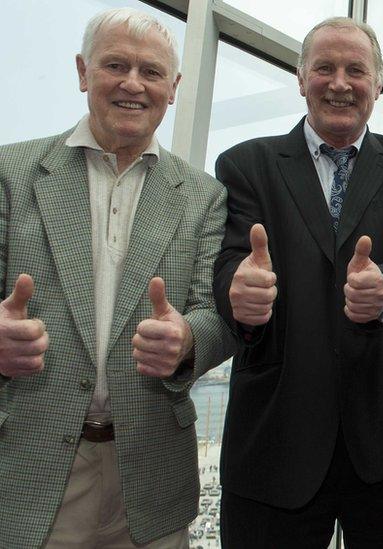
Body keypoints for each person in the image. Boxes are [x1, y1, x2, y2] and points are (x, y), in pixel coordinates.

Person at [0, 7, 235, 548]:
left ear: (173, 88)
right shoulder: (12, 175)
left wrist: (187, 340)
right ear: (83, 73)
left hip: (151, 481)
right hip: (30, 471)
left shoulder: (203, 195)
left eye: (151, 72)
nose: (133, 84)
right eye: (115, 66)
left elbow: (214, 312)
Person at [212, 17, 383, 548]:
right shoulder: (246, 164)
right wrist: (238, 291)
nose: (340, 82)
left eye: (356, 70)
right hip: (274, 445)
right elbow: (229, 265)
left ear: (378, 85)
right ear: (300, 78)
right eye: (325, 68)